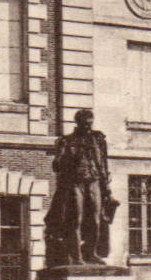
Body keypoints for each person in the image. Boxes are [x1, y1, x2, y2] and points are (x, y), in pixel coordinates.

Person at [46, 110, 117, 266]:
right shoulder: (67, 140)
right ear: (78, 123)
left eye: (90, 123)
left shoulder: (98, 139)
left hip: (94, 181)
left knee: (96, 220)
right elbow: (56, 167)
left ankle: (91, 253)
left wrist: (107, 189)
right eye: (85, 123)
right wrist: (61, 154)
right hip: (75, 182)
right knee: (75, 219)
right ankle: (76, 257)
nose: (88, 126)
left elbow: (103, 164)